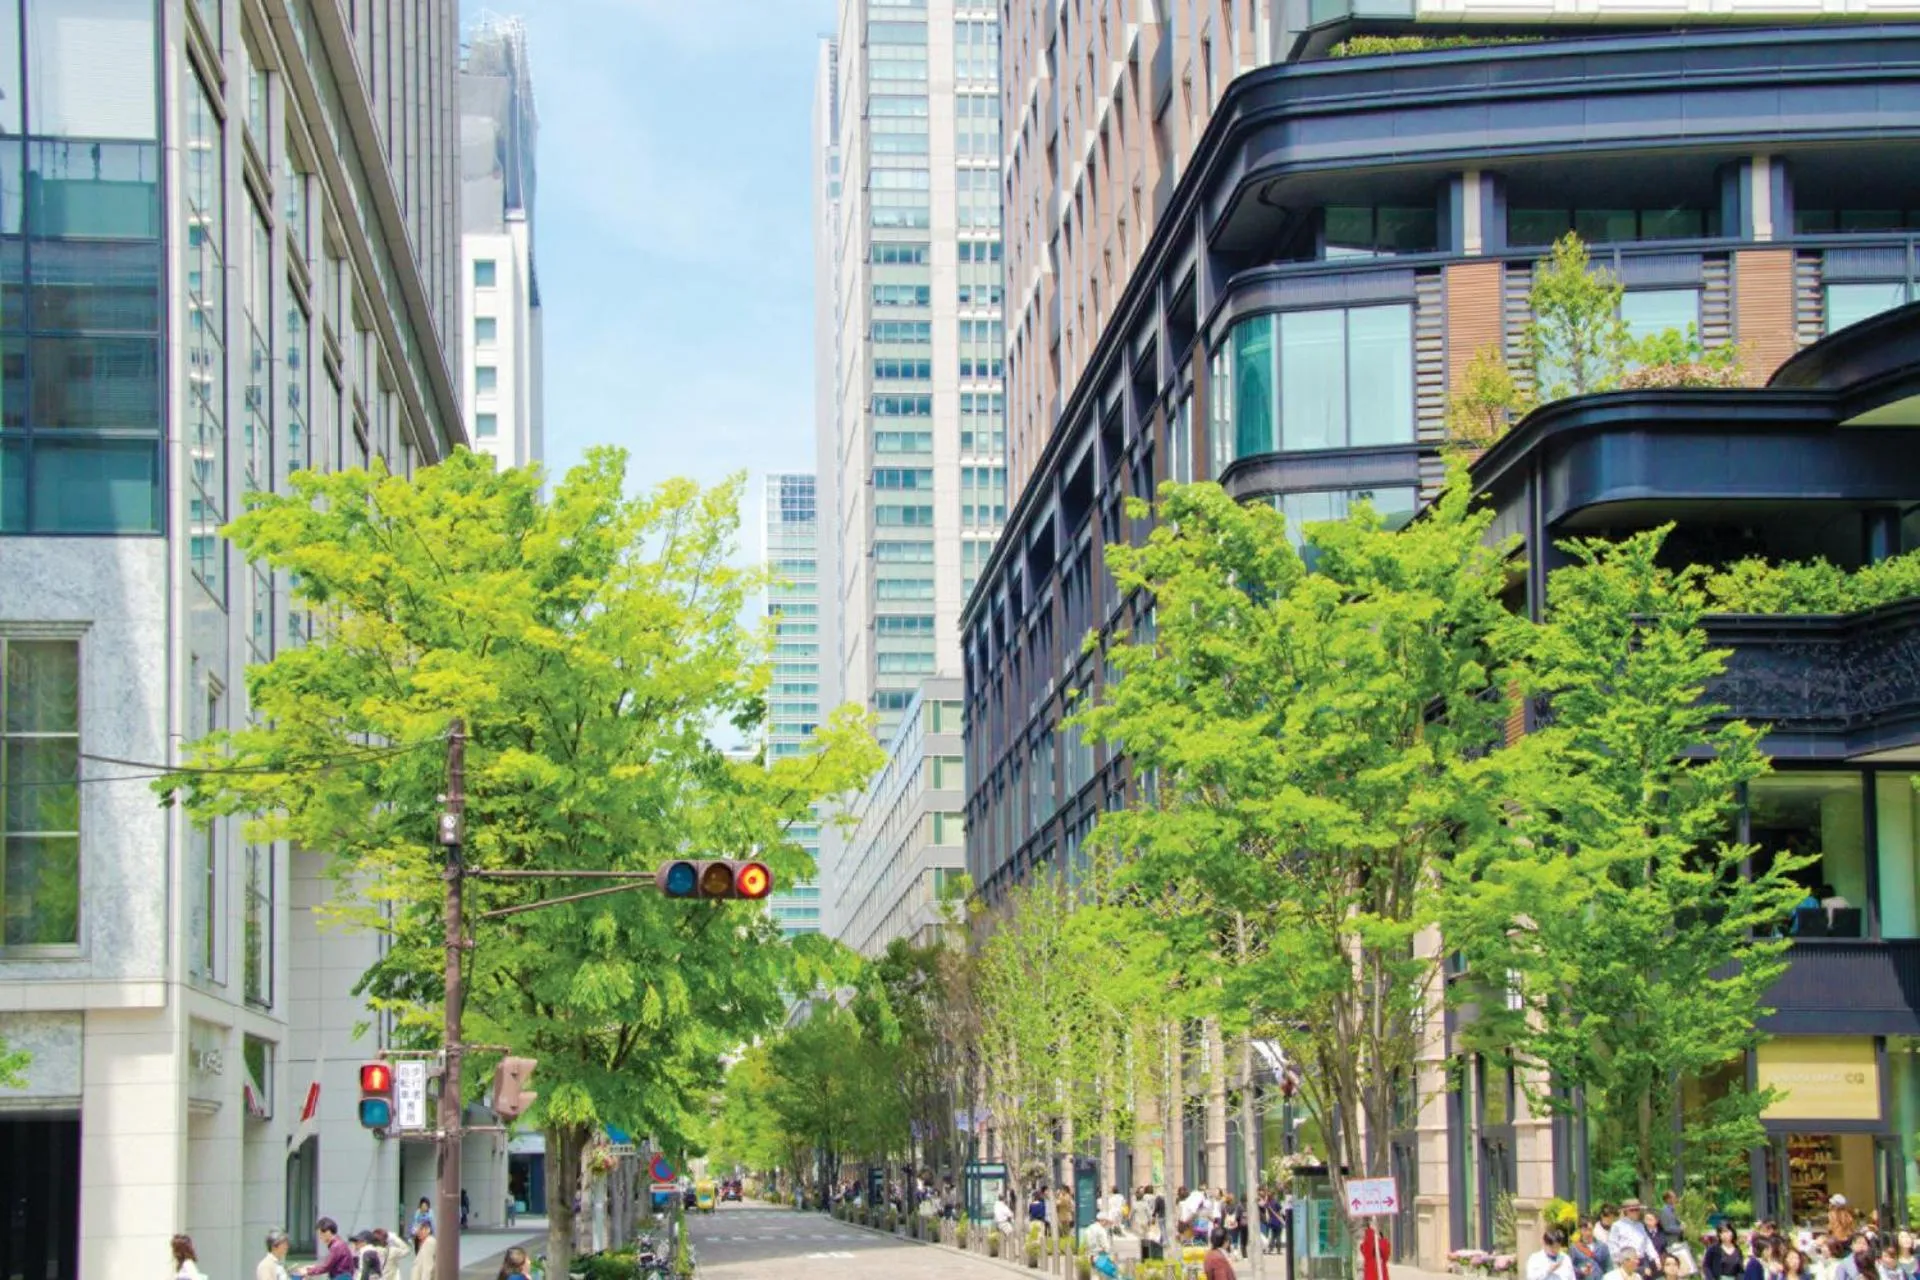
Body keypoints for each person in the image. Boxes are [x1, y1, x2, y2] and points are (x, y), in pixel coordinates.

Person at [1612, 1202, 1660, 1272]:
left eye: (1637, 1209)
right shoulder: (1617, 1226)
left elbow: (1647, 1243)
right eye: (1632, 1210)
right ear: (1626, 1211)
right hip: (1627, 1262)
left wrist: (1655, 1258)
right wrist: (1619, 1263)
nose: (1636, 1212)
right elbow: (1613, 1246)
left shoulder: (1640, 1225)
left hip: (1642, 1261)